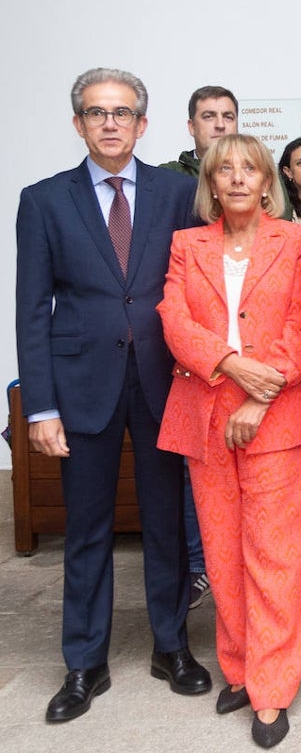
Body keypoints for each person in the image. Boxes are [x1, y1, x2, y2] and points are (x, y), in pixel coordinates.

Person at [17, 67, 211, 723]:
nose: (109, 122)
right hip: (82, 387)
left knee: (165, 525)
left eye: (122, 112)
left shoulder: (176, 195)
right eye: (96, 112)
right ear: (78, 123)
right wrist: (39, 407)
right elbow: (30, 310)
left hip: (164, 385)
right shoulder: (44, 201)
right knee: (88, 530)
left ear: (142, 124)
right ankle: (84, 663)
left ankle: (170, 647)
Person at [156, 134, 301, 748]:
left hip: (277, 417)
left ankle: (272, 689)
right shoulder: (186, 245)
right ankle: (239, 667)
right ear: (211, 183)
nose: (237, 178)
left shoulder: (298, 240)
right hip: (205, 412)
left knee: (276, 557)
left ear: (266, 179)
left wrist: (260, 393)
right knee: (223, 554)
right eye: (224, 170)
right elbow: (174, 318)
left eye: (248, 168)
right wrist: (227, 362)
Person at [160, 84, 240, 610]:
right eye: (207, 116)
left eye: (227, 116)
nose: (218, 124)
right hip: (191, 350)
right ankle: (197, 566)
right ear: (191, 126)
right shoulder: (169, 183)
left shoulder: (253, 171)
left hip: (252, 360)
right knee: (198, 469)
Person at [161, 85, 239, 176]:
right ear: (192, 127)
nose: (220, 125)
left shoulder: (255, 173)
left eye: (228, 117)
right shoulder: (167, 176)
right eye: (209, 117)